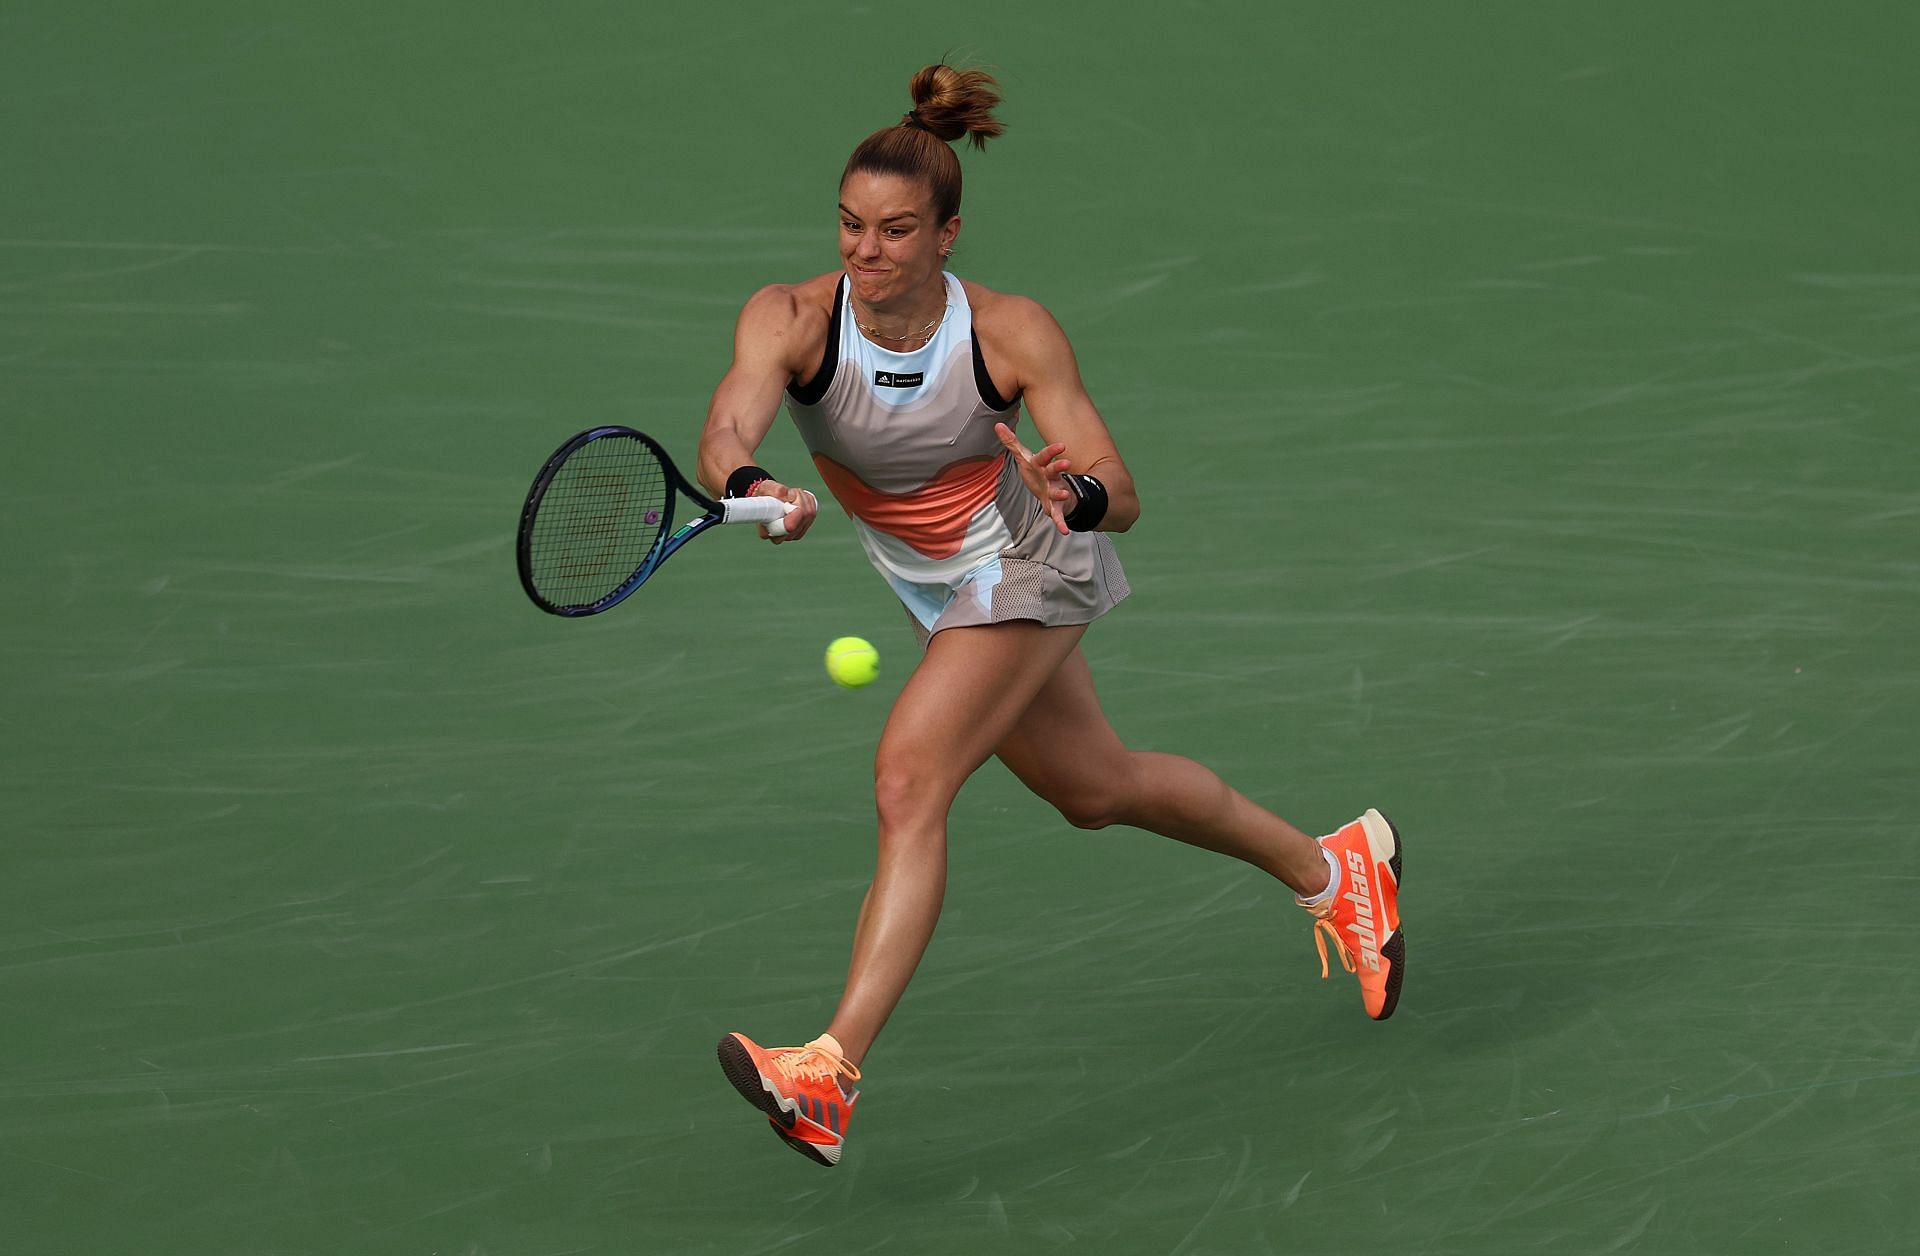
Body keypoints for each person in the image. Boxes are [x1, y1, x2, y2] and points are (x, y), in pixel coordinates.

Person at [697, 64, 1403, 1167]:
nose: (863, 252)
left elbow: (1122, 492)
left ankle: (829, 1069)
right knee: (1094, 787)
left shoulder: (1011, 333)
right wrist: (754, 492)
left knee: (908, 778)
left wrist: (1073, 489)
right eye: (848, 225)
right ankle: (1338, 869)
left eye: (892, 231)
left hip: (1033, 556)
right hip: (937, 586)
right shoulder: (790, 318)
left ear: (947, 235)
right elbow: (729, 428)